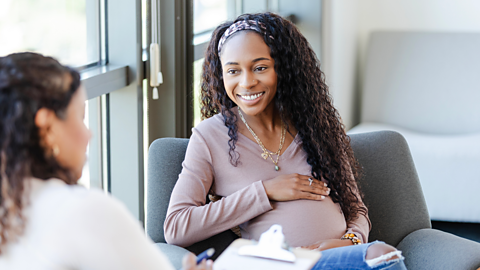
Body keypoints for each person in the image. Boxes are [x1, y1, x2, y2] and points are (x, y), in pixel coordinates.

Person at [164, 13, 407, 269]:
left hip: (341, 258)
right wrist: (265, 191)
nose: (246, 82)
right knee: (383, 255)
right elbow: (177, 226)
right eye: (233, 71)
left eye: (260, 68)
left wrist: (351, 240)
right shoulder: (209, 137)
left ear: (283, 68)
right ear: (220, 74)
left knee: (381, 255)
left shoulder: (315, 126)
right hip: (277, 263)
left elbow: (356, 209)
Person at [0, 52, 212, 270]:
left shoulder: (11, 213)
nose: (88, 134)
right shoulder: (84, 212)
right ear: (47, 125)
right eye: (80, 118)